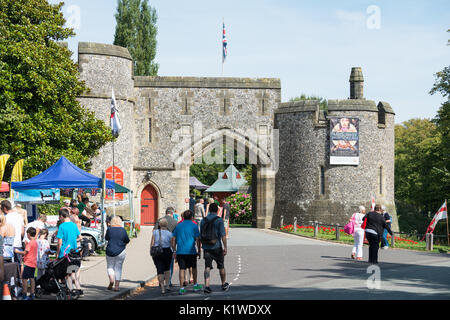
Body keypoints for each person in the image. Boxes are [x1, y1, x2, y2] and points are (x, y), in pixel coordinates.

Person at [171, 210, 202, 295]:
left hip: (180, 251)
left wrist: (174, 250)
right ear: (192, 217)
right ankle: (195, 285)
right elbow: (198, 239)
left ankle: (181, 288)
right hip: (191, 251)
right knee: (194, 268)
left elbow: (173, 239)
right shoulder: (194, 226)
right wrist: (199, 250)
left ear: (183, 217)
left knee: (182, 269)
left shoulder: (178, 226)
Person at [199, 203, 229, 293]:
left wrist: (201, 246)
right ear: (217, 210)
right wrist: (225, 247)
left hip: (206, 247)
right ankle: (223, 284)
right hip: (216, 246)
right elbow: (223, 235)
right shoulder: (219, 220)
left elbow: (201, 234)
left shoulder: (203, 220)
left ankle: (207, 286)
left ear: (209, 210)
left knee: (207, 267)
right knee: (221, 266)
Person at [56, 208, 83, 296]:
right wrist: (73, 241)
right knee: (72, 272)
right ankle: (79, 289)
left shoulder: (62, 226)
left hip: (65, 252)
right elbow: (80, 237)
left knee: (67, 274)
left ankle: (70, 290)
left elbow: (59, 242)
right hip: (74, 252)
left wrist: (57, 253)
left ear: (61, 216)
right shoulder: (73, 225)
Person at [154, 207, 178, 286]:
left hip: (159, 246)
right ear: (172, 213)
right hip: (170, 245)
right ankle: (168, 282)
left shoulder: (159, 220)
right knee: (169, 265)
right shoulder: (175, 222)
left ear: (166, 212)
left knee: (160, 265)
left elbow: (154, 231)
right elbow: (175, 236)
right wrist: (175, 248)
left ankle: (160, 282)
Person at [105, 216, 130, 292]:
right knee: (118, 268)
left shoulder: (109, 230)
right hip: (121, 251)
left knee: (110, 267)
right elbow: (127, 240)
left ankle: (111, 280)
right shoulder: (123, 230)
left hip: (110, 250)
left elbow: (106, 238)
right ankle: (116, 287)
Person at [150, 218, 173, 294]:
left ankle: (162, 287)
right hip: (167, 251)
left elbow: (152, 243)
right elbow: (172, 245)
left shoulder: (155, 232)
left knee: (160, 270)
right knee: (167, 269)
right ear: (167, 225)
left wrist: (151, 251)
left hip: (157, 252)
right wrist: (174, 251)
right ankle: (167, 285)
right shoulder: (170, 233)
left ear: (159, 224)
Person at [16, 227, 38, 300]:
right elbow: (31, 250)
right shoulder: (35, 242)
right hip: (33, 263)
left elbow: (25, 252)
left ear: (28, 234)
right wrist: (26, 245)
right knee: (32, 278)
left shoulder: (30, 243)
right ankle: (32, 293)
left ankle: (24, 293)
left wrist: (17, 251)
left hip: (28, 263)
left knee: (24, 278)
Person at [2, 200, 24, 269]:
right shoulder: (19, 216)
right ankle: (19, 279)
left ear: (4, 208)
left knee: (9, 266)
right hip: (18, 244)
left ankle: (11, 279)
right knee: (19, 265)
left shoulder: (5, 218)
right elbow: (22, 232)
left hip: (8, 245)